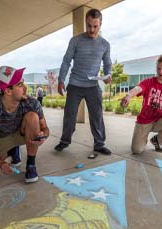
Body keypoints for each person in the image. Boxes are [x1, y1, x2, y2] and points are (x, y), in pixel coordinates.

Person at [0, 66, 49, 183]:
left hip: (21, 134)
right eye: (19, 85)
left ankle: (30, 165)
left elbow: (45, 128)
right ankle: (10, 151)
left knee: (33, 117)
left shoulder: (32, 102)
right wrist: (1, 163)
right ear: (8, 91)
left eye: (23, 83)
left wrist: (43, 136)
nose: (25, 88)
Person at [54, 8, 112, 155]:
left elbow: (107, 63)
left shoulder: (105, 44)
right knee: (70, 115)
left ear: (101, 25)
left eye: (95, 26)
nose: (91, 30)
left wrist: (108, 75)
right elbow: (66, 61)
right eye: (89, 26)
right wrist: (61, 80)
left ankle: (99, 144)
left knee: (97, 115)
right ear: (86, 23)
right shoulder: (76, 41)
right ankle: (64, 141)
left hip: (93, 85)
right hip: (75, 84)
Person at [120, 55, 162, 154]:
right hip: (145, 120)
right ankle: (142, 139)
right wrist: (128, 95)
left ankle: (157, 141)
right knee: (136, 150)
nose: (161, 72)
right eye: (158, 68)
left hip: (160, 120)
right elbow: (137, 89)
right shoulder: (148, 82)